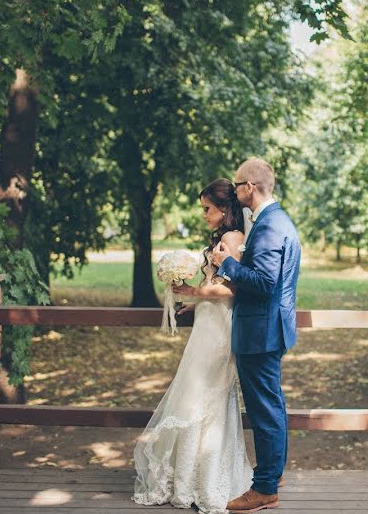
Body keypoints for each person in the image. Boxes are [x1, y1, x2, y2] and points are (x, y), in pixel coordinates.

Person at [132, 178, 253, 514]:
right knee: (195, 394)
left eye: (207, 209)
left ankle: (207, 479)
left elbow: (231, 289)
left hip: (220, 330)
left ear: (225, 209)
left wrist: (196, 293)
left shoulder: (234, 239)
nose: (203, 215)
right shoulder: (220, 239)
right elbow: (211, 281)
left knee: (205, 394)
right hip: (206, 324)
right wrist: (194, 301)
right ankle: (188, 479)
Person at [210, 157, 301, 514]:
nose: (234, 191)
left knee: (265, 411)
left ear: (249, 187)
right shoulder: (279, 220)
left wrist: (226, 265)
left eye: (236, 185)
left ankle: (264, 487)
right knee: (272, 406)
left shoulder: (266, 227)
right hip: (271, 327)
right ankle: (272, 475)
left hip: (260, 331)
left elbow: (264, 284)